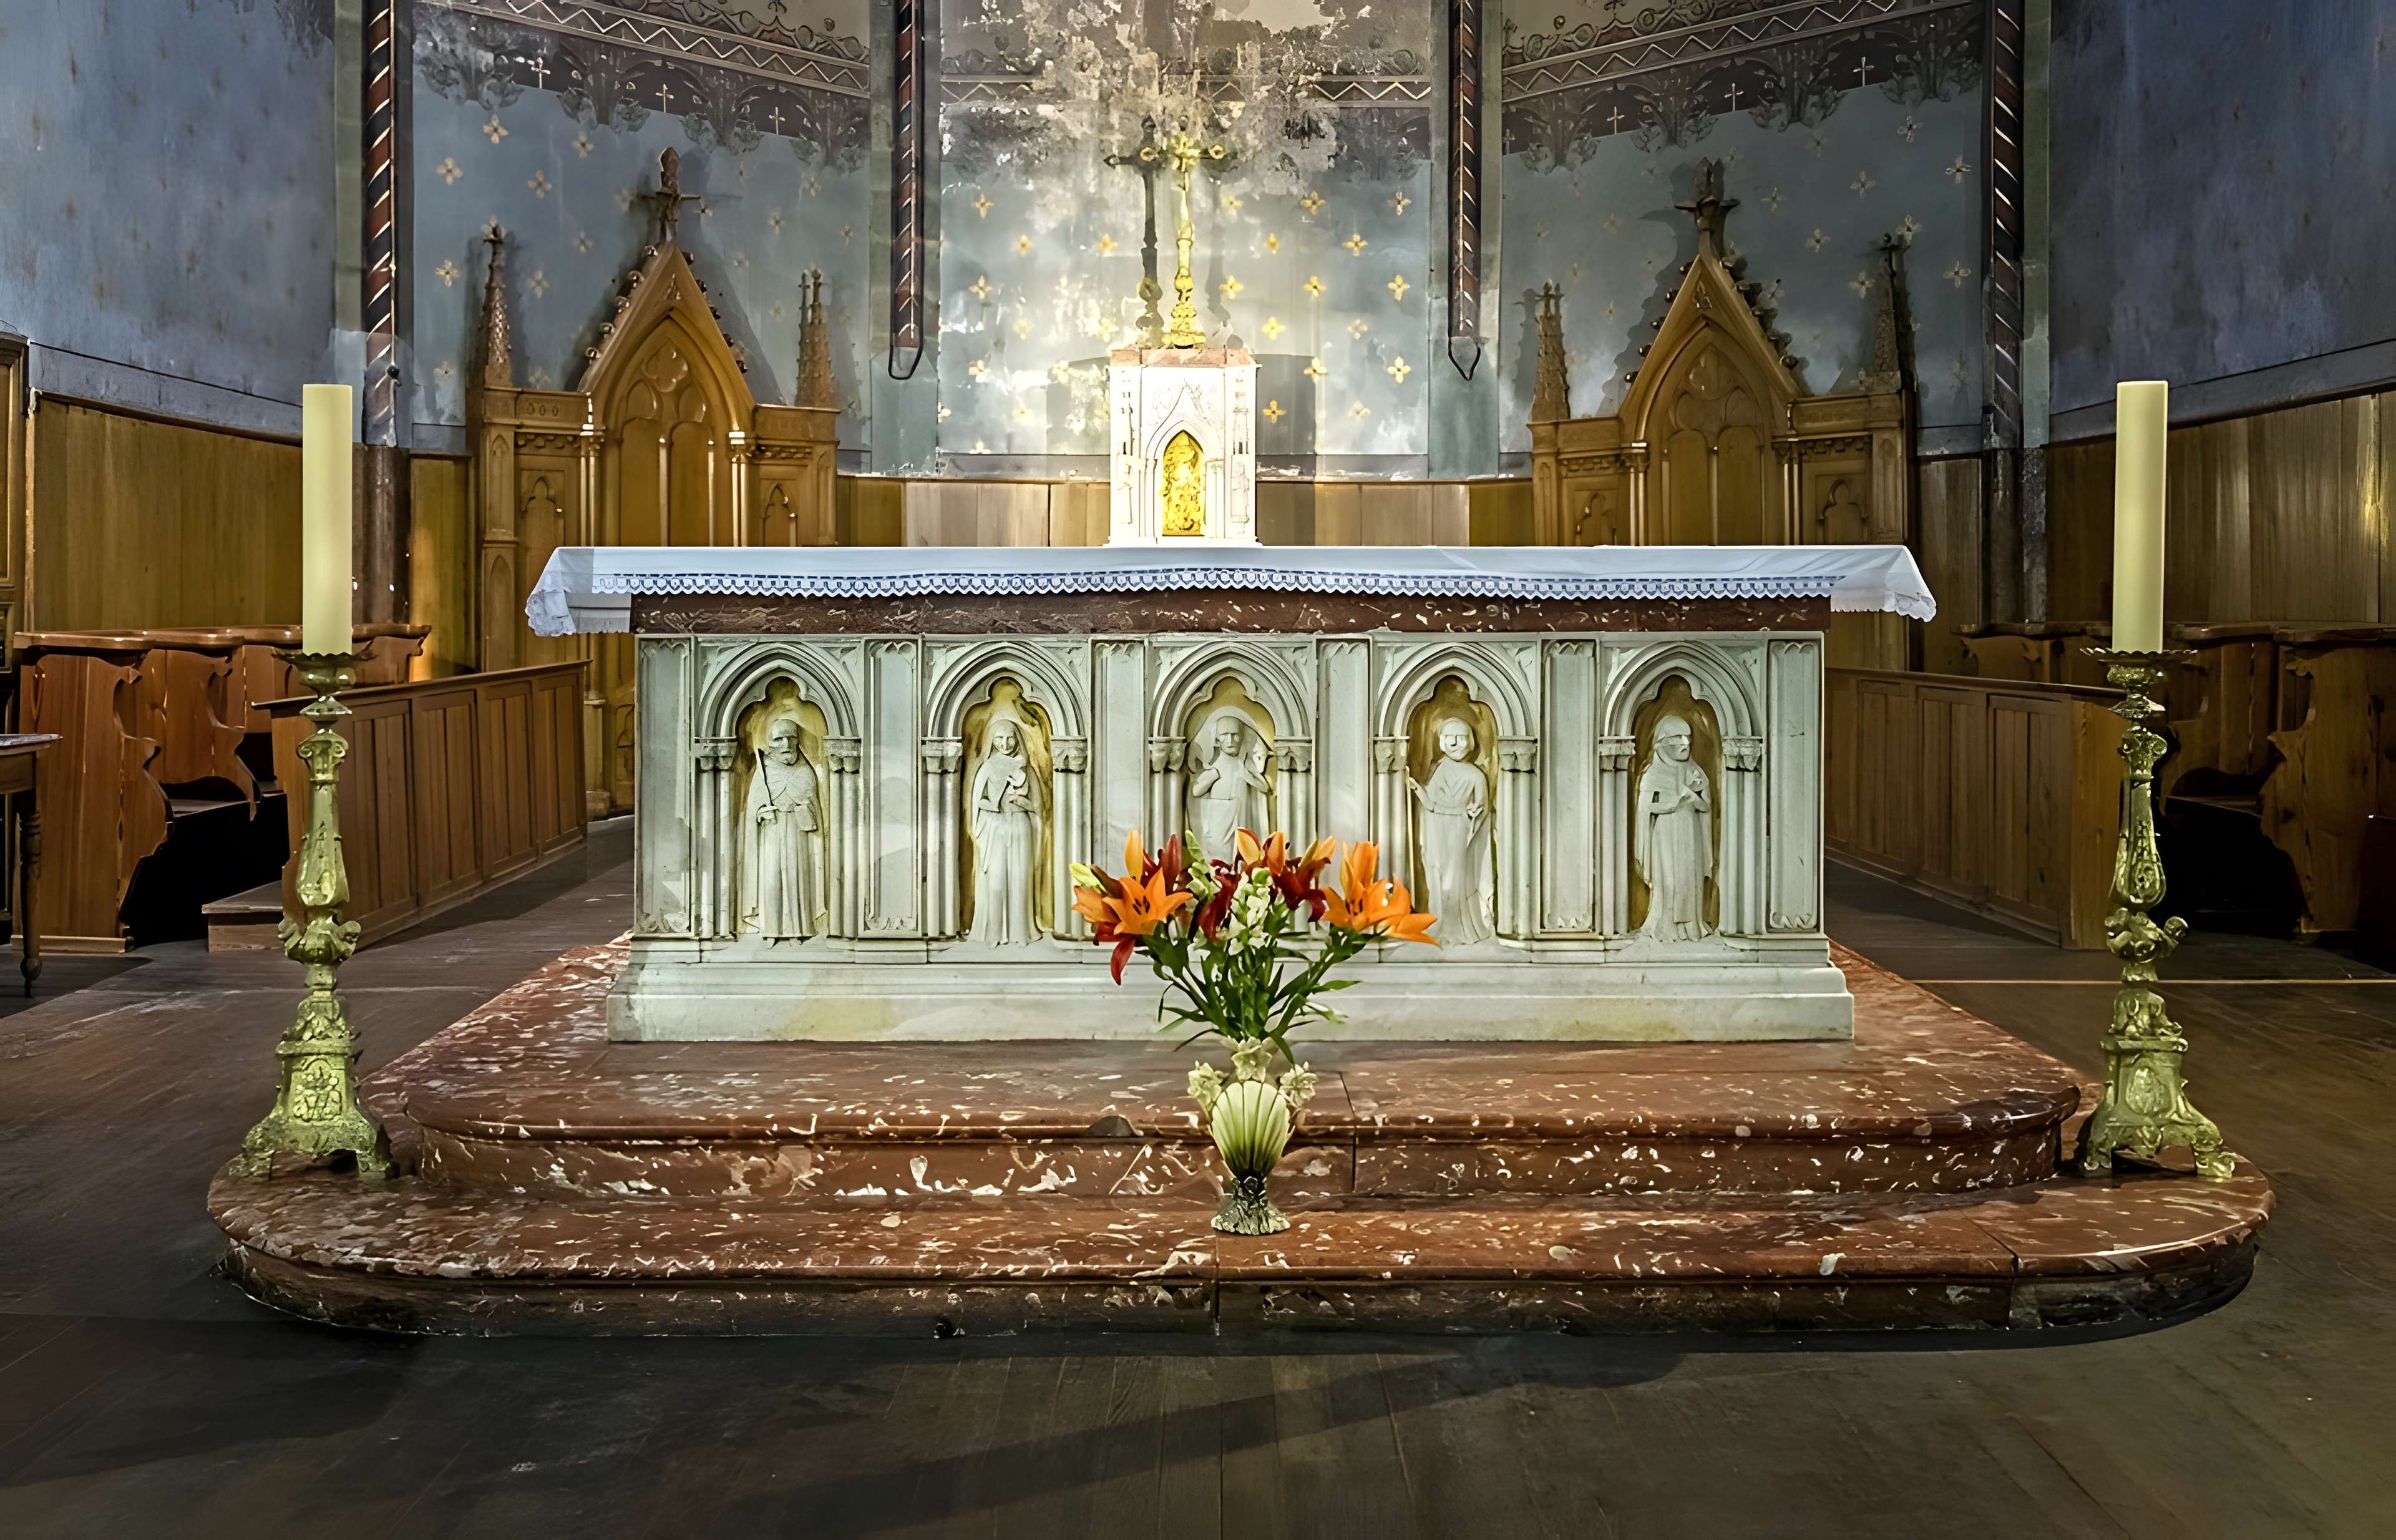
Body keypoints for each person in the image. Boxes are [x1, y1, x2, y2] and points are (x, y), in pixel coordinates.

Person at [741, 717, 824, 940]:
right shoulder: (764, 773)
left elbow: (814, 807)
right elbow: (753, 812)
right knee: (772, 880)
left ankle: (800, 930)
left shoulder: (805, 771)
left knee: (798, 880)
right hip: (772, 834)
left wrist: (802, 809)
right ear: (770, 742)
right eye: (779, 739)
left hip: (799, 836)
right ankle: (771, 931)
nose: (786, 745)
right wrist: (760, 814)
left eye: (791, 738)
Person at [1412, 716, 1493, 943]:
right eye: (1451, 739)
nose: (1456, 744)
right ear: (1442, 741)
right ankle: (1438, 924)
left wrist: (1474, 813)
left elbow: (1482, 807)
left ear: (1471, 742)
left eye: (1461, 738)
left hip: (1459, 829)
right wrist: (1418, 789)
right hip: (1436, 829)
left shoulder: (1475, 775)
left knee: (1455, 878)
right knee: (1435, 875)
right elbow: (1430, 803)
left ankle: (1458, 928)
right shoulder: (1438, 770)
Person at [1634, 713, 1713, 941]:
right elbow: (1645, 808)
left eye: (1687, 738)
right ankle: (1666, 925)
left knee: (1690, 878)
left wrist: (1691, 798)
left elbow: (1706, 805)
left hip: (1691, 832)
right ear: (1663, 741)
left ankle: (1692, 927)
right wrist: (1672, 805)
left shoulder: (1695, 771)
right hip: (1665, 834)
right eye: (1677, 738)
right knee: (1668, 879)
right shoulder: (1653, 773)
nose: (1685, 744)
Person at [968, 718, 1043, 945]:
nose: (1005, 743)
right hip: (994, 827)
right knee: (996, 880)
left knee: (1020, 879)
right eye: (999, 738)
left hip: (1020, 827)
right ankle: (994, 934)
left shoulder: (1025, 768)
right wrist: (990, 807)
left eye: (1010, 738)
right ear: (993, 740)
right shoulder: (988, 767)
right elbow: (976, 801)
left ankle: (1021, 934)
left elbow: (1037, 805)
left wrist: (1019, 800)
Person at [1187, 712, 1269, 865]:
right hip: (1218, 822)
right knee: (1219, 863)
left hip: (1241, 820)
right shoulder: (1214, 767)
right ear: (1218, 740)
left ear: (1242, 737)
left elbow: (1264, 787)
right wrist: (1212, 777)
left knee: (1241, 860)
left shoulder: (1244, 763)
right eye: (1225, 735)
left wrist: (1248, 776)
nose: (1231, 740)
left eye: (1235, 735)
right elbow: (1196, 791)